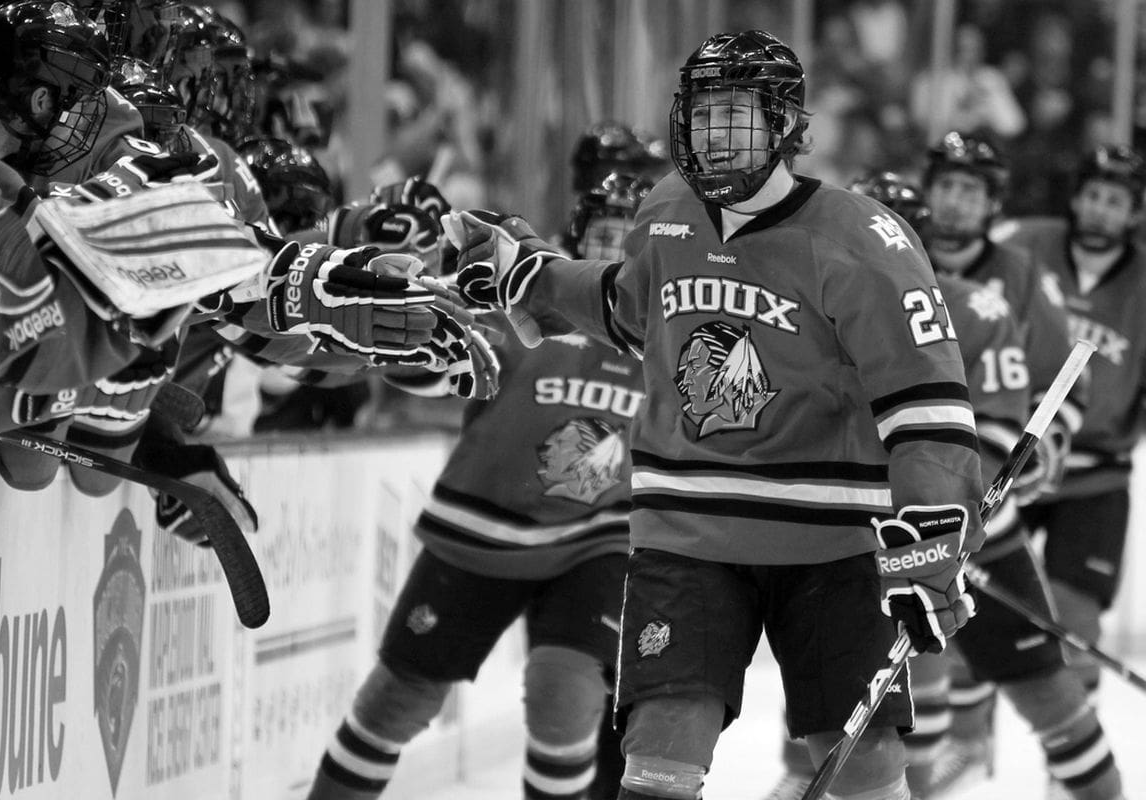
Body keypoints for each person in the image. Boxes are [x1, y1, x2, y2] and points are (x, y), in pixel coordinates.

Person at [449, 31, 984, 800]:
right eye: (703, 115)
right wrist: (531, 275)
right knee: (658, 758)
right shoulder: (666, 207)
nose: (714, 134)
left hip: (829, 544)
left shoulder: (864, 240)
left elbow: (926, 405)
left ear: (787, 125)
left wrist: (931, 536)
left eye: (735, 114)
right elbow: (633, 311)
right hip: (686, 534)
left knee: (865, 771)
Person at [764, 172, 1125, 800]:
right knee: (865, 693)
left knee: (1046, 691)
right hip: (854, 534)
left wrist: (965, 496)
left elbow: (996, 424)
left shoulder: (973, 309)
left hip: (964, 534)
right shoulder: (799, 306)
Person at [304, 172, 651, 800]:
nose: (616, 251)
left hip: (598, 539)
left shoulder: (663, 333)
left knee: (563, 695)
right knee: (394, 702)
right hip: (478, 525)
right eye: (605, 234)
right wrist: (405, 326)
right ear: (576, 236)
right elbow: (437, 370)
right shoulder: (523, 306)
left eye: (631, 240)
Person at [993, 144, 1146, 797]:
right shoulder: (1024, 242)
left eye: (1117, 200)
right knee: (972, 603)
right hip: (1016, 460)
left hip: (1096, 473)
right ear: (1075, 196)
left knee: (1076, 623)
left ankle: (1068, 774)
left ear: (1134, 212)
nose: (1101, 210)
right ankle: (964, 740)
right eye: (1093, 195)